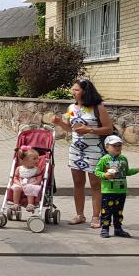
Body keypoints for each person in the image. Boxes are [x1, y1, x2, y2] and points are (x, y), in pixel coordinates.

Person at [52, 78, 114, 229]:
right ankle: (79, 215)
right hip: (76, 151)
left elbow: (109, 129)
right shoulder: (72, 107)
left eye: (77, 90)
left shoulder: (97, 108)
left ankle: (96, 217)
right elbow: (70, 128)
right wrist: (60, 123)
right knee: (78, 183)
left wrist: (89, 130)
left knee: (95, 185)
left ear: (85, 91)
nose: (73, 92)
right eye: (73, 89)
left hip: (94, 151)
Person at [94, 134, 139, 239]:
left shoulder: (123, 159)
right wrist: (104, 175)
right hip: (108, 191)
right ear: (107, 147)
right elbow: (96, 172)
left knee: (118, 212)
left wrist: (138, 169)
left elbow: (127, 172)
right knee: (106, 211)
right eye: (114, 146)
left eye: (119, 145)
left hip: (121, 191)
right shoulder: (104, 159)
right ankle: (105, 229)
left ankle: (118, 229)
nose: (117, 148)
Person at [8, 147, 43, 214]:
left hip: (32, 184)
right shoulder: (19, 168)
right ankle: (16, 204)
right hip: (20, 184)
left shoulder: (37, 169)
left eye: (37, 158)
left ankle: (30, 204)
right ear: (25, 160)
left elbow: (39, 180)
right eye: (34, 159)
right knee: (16, 188)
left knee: (29, 187)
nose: (37, 160)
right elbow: (15, 178)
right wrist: (19, 184)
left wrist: (32, 184)